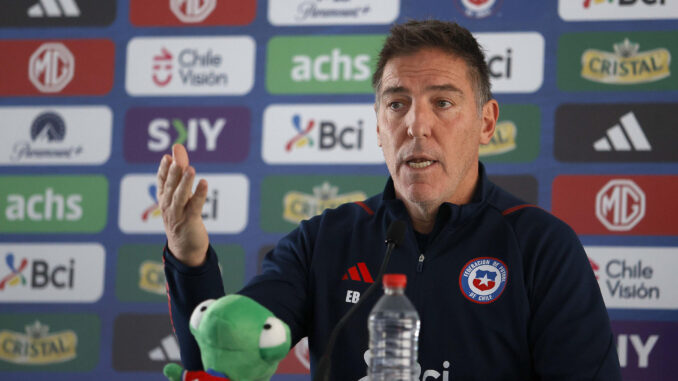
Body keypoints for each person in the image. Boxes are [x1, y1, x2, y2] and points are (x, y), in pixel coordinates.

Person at [158, 20, 621, 380]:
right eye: (397, 104)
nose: (417, 126)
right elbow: (223, 363)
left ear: (485, 122)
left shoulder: (541, 246)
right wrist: (189, 259)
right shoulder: (322, 241)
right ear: (378, 126)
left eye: (442, 102)